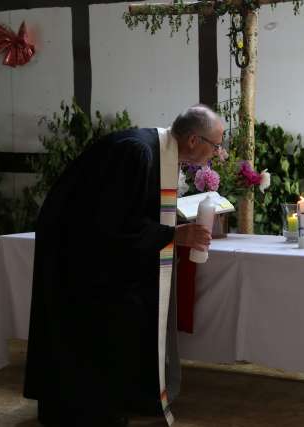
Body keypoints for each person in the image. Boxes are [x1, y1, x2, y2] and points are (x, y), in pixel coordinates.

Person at [23, 105, 225, 427]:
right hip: (76, 254)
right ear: (191, 140)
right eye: (216, 145)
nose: (220, 153)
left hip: (93, 250)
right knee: (95, 327)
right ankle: (89, 412)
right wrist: (174, 234)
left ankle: (105, 405)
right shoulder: (136, 153)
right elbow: (113, 223)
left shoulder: (152, 150)